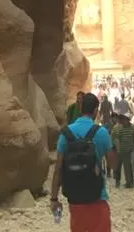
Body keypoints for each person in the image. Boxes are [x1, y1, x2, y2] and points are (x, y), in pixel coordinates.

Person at [51, 92, 116, 232]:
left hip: (75, 200)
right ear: (95, 110)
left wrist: (54, 199)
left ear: (80, 108)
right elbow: (113, 163)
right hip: (97, 198)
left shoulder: (66, 133)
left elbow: (58, 169)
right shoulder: (102, 132)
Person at [111, 114, 134, 188]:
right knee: (118, 167)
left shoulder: (133, 128)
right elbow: (116, 139)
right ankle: (118, 181)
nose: (124, 121)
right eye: (122, 119)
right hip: (119, 150)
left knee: (127, 167)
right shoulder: (118, 128)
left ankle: (129, 182)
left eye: (125, 119)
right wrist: (117, 149)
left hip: (128, 150)